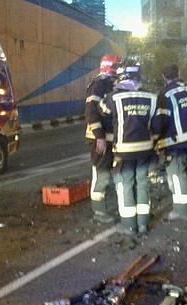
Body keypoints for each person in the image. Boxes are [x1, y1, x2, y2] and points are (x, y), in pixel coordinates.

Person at [99, 61, 157, 236]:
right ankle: (144, 224)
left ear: (121, 76)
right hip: (146, 149)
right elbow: (157, 123)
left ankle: (130, 226)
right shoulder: (151, 97)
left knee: (125, 185)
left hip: (123, 151)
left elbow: (103, 112)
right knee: (142, 184)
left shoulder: (112, 97)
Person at [152, 64, 187, 221]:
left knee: (177, 174)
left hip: (175, 142)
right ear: (179, 73)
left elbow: (161, 121)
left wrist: (157, 140)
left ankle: (182, 211)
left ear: (164, 77)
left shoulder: (164, 95)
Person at [84, 54, 120, 224]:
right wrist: (99, 137)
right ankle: (99, 212)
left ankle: (108, 208)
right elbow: (91, 111)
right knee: (101, 174)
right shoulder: (98, 85)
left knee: (110, 173)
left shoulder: (109, 84)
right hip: (100, 138)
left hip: (110, 138)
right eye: (117, 67)